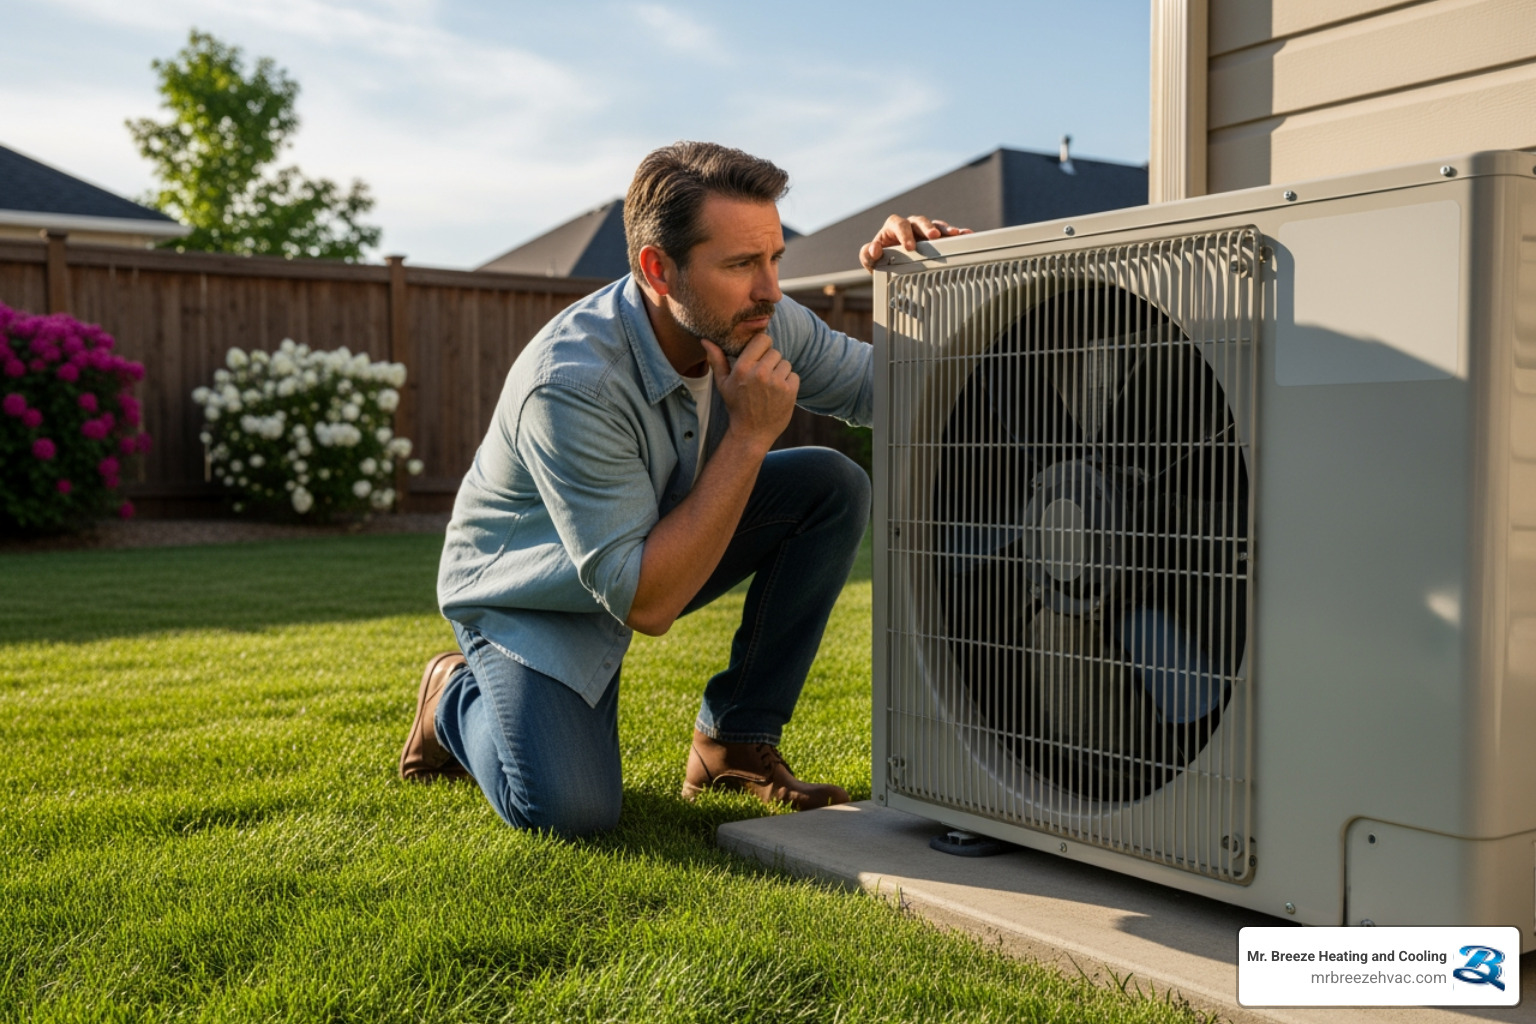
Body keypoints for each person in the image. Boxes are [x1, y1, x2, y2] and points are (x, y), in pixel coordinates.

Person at [399, 141, 968, 836]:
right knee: (566, 812)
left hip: (652, 545)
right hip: (534, 597)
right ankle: (453, 697)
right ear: (657, 268)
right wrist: (752, 437)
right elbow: (649, 600)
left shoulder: (760, 318)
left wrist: (928, 287)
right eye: (739, 265)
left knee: (830, 483)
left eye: (774, 259)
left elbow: (903, 391)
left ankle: (733, 743)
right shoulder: (572, 382)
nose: (768, 289)